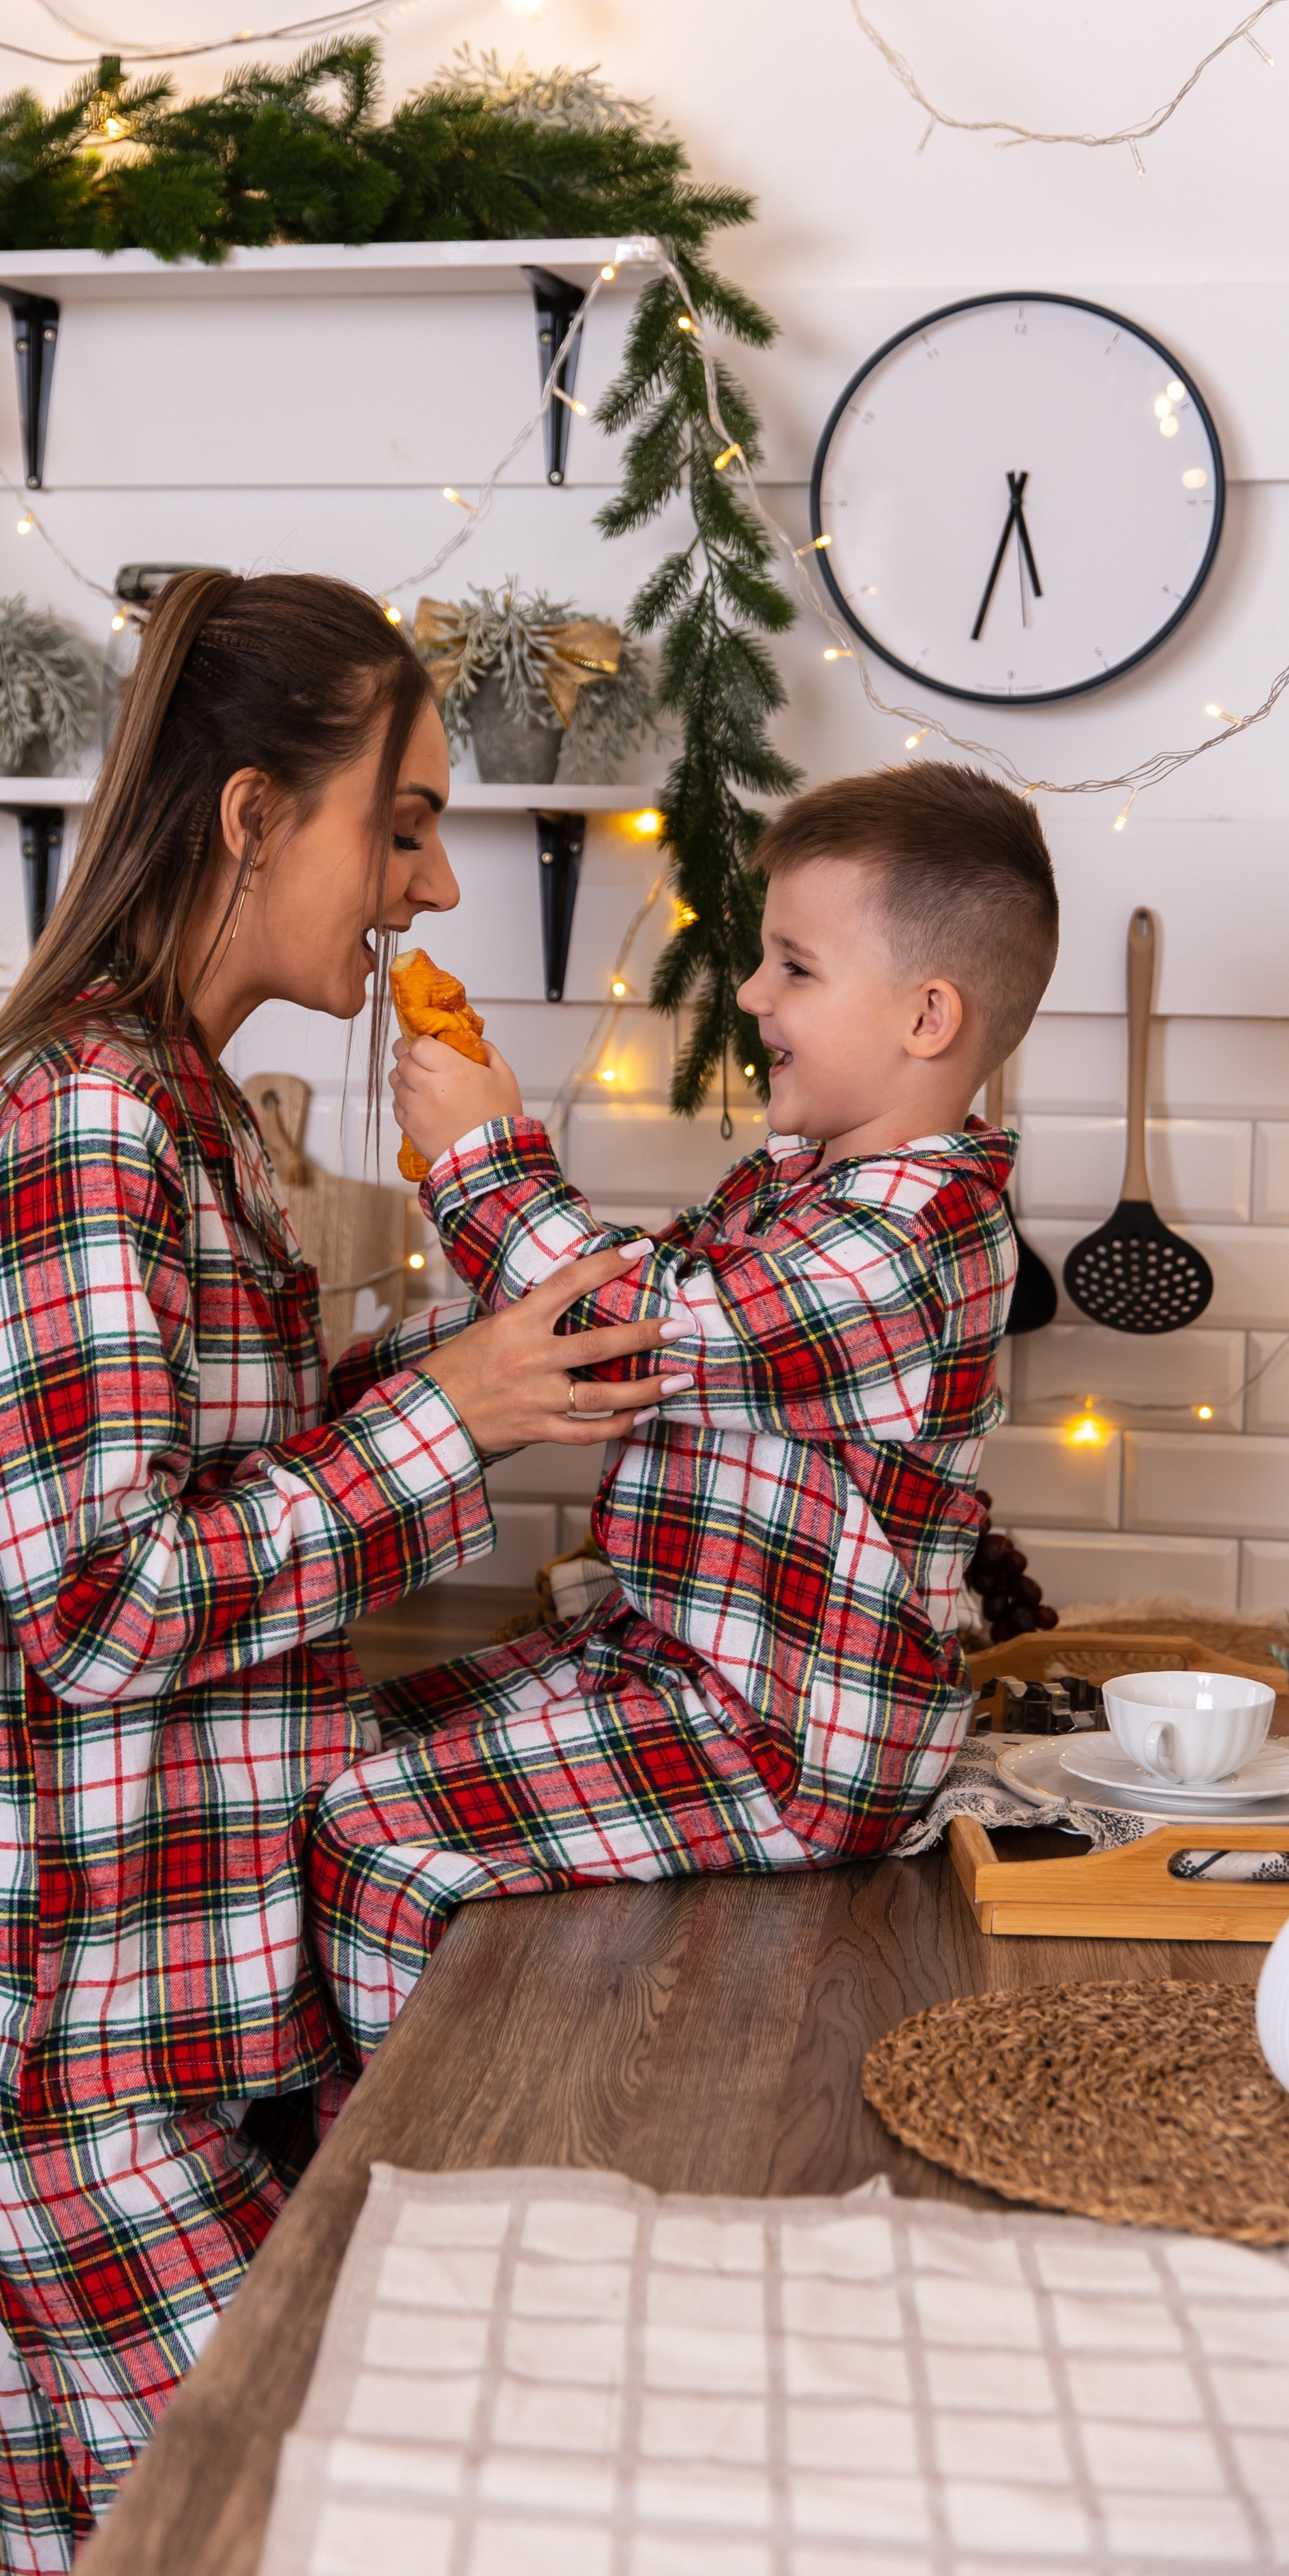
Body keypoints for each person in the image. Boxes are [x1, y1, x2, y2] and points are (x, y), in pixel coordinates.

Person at [0, 570, 669, 2572]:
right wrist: (451, 1412)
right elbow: (111, 1603)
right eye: (398, 824)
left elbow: (220, 1477)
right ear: (247, 817)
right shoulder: (81, 1128)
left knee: (121, 2511)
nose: (431, 889)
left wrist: (473, 1365)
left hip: (186, 1995)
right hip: (70, 2040)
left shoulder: (195, 1114)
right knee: (302, 2515)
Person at [309, 761, 1058, 2061]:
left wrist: (488, 1156)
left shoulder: (915, 1237)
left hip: (796, 1741)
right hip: (673, 1663)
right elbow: (605, 1335)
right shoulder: (796, 1189)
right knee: (348, 1739)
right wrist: (379, 1370)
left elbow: (641, 1326)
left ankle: (386, 2175)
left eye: (794, 966)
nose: (752, 995)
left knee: (374, 1838)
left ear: (929, 1016)